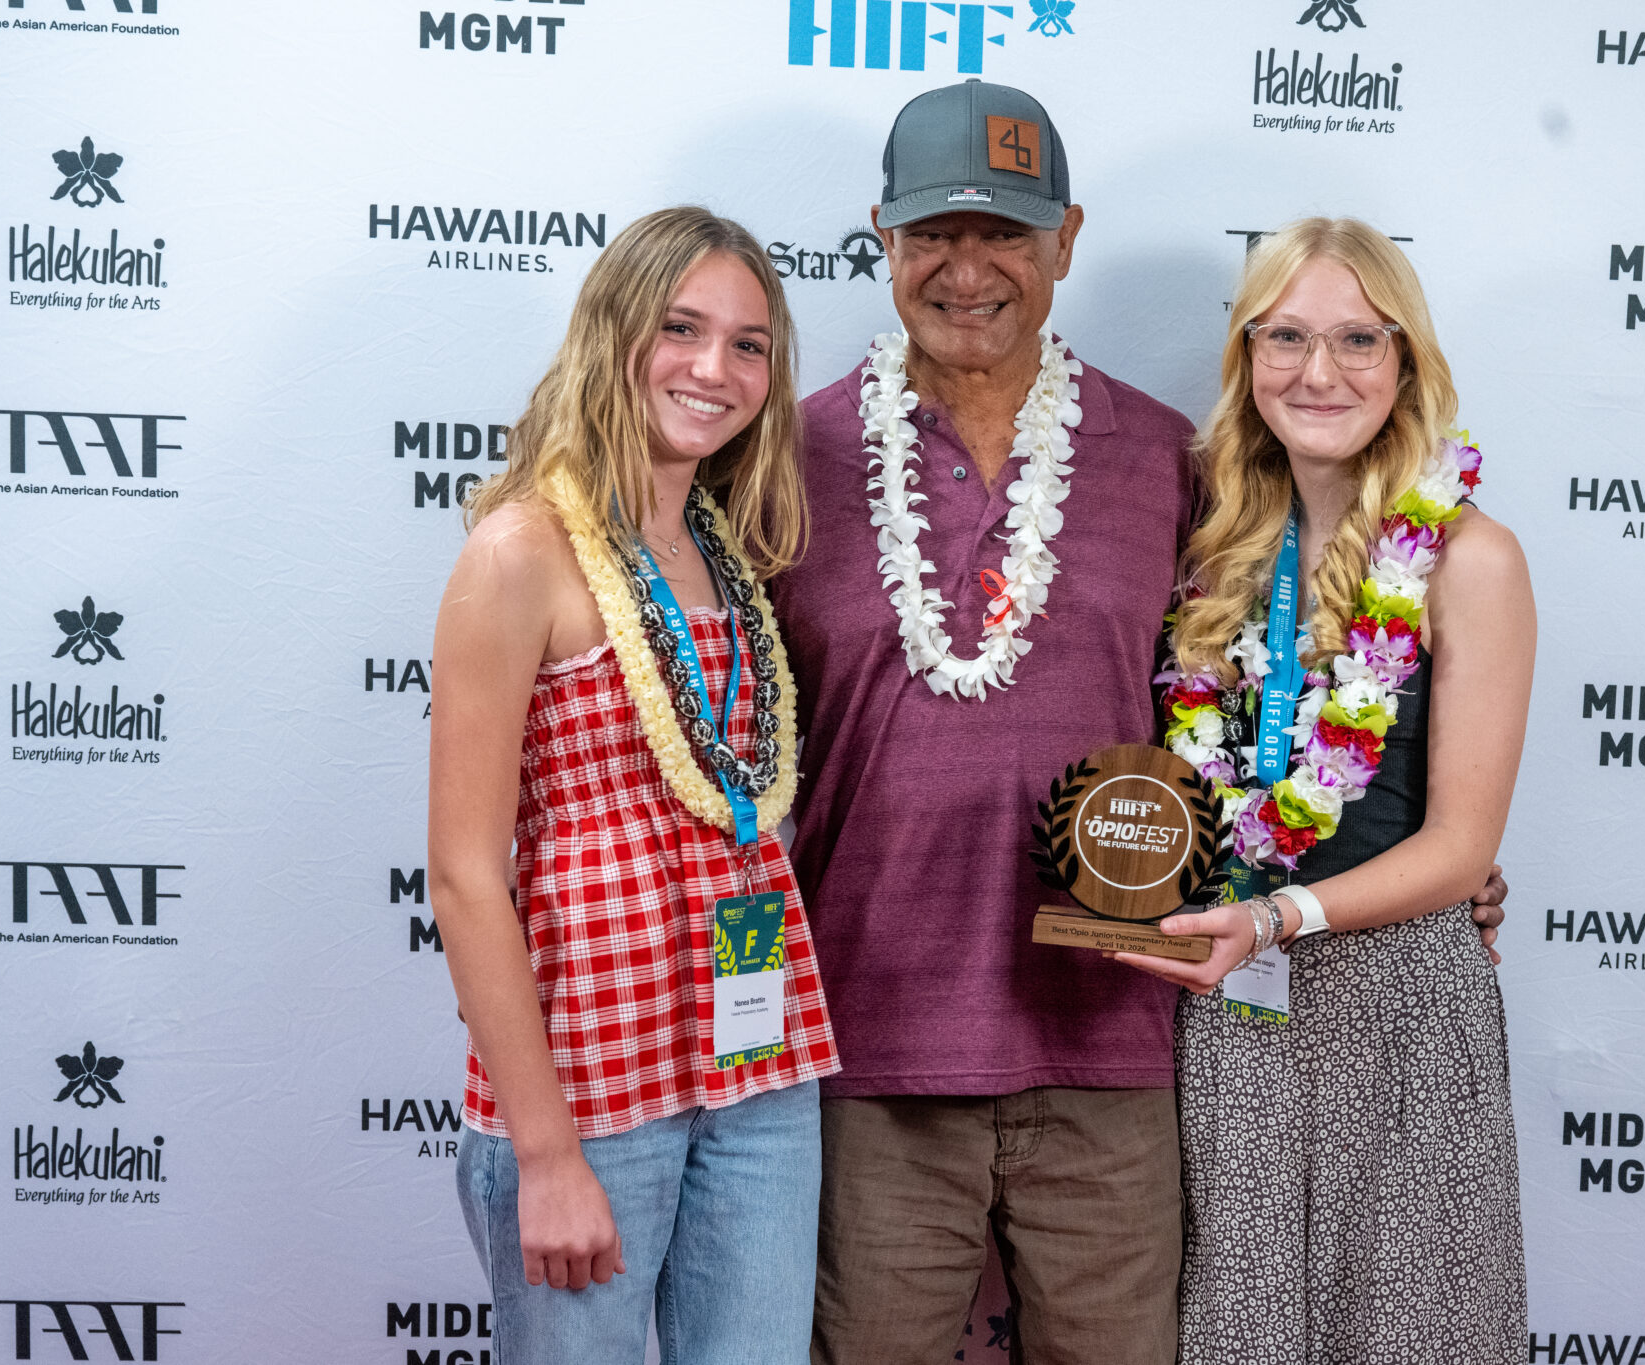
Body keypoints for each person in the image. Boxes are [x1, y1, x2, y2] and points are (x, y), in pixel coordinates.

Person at [768, 84, 1509, 1365]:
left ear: (1064, 242)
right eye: (933, 233)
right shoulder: (783, 459)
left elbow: (1291, 687)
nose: (966, 270)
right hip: (868, 1049)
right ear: (881, 239)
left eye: (1005, 234)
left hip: (1114, 1048)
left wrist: (1438, 862)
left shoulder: (1173, 467)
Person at [427, 207, 839, 1365]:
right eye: (681, 328)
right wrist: (545, 1152)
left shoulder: (724, 551)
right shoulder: (519, 552)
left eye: (749, 345)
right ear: (614, 333)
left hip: (757, 1070)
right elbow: (463, 877)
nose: (714, 369)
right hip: (588, 1088)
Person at [1126, 218, 1534, 1362]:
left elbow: (1460, 847)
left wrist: (1276, 917)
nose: (1319, 371)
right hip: (1230, 1017)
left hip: (1399, 1015)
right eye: (1287, 337)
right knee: (1237, 1334)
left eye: (1358, 339)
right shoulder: (1210, 555)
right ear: (1246, 355)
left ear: (1405, 361)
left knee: (1403, 1334)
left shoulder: (1469, 560)